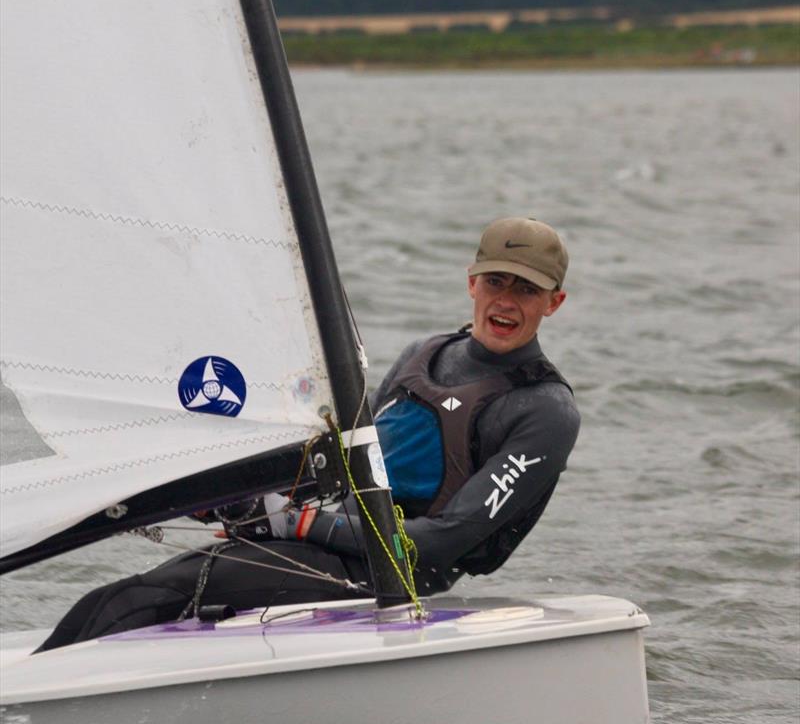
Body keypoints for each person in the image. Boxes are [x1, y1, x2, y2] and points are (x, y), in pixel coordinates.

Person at [37, 217, 580, 650]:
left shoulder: (544, 410)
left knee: (139, 601)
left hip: (389, 576)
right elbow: (337, 465)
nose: (506, 300)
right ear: (471, 282)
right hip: (324, 544)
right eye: (496, 280)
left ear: (553, 302)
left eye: (527, 289)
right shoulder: (424, 354)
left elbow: (439, 545)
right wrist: (237, 499)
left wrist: (296, 521)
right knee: (109, 603)